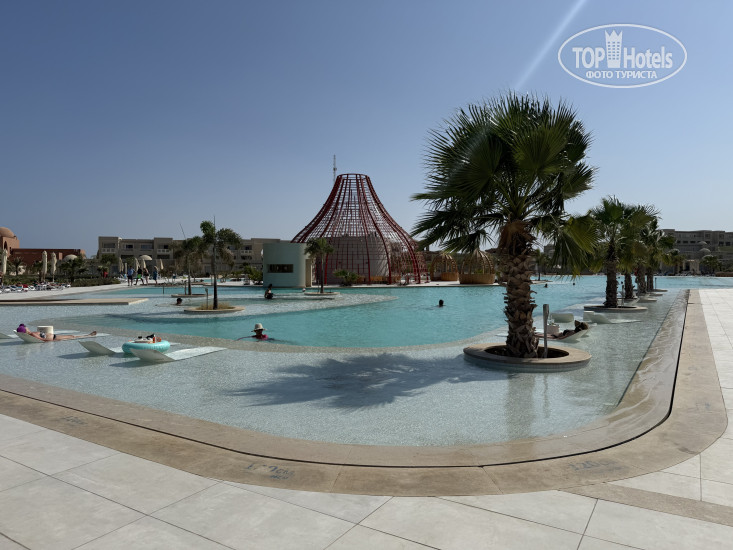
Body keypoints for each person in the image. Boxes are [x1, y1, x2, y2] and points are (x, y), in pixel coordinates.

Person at [26, 330, 98, 342]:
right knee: (72, 336)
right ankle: (89, 335)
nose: (27, 328)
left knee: (71, 336)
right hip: (54, 338)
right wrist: (53, 340)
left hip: (54, 336)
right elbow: (42, 339)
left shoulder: (32, 333)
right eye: (26, 328)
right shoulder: (32, 334)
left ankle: (88, 335)